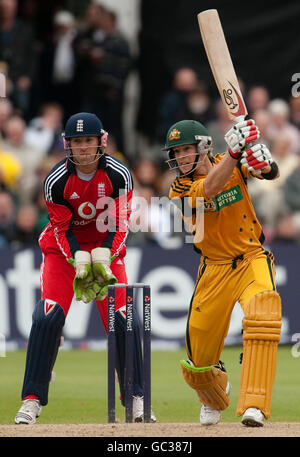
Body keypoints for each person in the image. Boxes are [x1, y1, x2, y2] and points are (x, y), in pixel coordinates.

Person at [15, 112, 156, 424]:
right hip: (63, 253)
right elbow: (61, 229)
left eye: (88, 141)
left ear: (100, 142)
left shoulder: (119, 175)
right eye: (76, 142)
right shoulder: (56, 181)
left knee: (123, 319)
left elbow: (121, 224)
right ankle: (32, 399)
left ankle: (135, 398)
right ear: (67, 144)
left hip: (108, 251)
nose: (82, 148)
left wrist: (103, 255)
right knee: (47, 317)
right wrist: (78, 257)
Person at [164, 118, 282, 427]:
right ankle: (215, 395)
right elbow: (211, 187)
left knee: (263, 314)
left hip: (251, 259)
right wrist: (234, 152)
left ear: (203, 147)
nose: (180, 158)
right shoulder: (179, 189)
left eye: (186, 150)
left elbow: (269, 173)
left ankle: (255, 405)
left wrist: (263, 159)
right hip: (213, 269)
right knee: (198, 364)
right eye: (176, 153)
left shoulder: (232, 162)